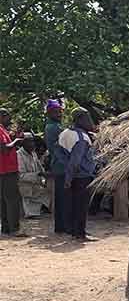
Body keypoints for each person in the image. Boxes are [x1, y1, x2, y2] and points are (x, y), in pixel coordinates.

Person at [58, 108, 98, 240]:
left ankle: (73, 230)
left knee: (73, 205)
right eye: (87, 118)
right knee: (81, 206)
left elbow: (59, 153)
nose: (90, 122)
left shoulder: (65, 133)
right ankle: (80, 233)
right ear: (80, 119)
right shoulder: (81, 138)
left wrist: (67, 177)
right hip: (81, 176)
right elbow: (75, 162)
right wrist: (69, 179)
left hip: (69, 174)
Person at [43, 100, 68, 234]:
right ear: (48, 113)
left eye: (60, 111)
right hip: (61, 165)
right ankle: (63, 226)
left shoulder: (56, 126)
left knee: (61, 197)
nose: (59, 114)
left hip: (59, 164)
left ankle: (61, 226)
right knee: (63, 197)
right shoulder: (53, 128)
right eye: (56, 112)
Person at [0, 108, 25, 237]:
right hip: (7, 170)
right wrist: (16, 142)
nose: (9, 119)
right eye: (7, 116)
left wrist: (14, 138)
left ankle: (6, 227)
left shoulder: (3, 130)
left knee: (5, 201)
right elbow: (4, 149)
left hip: (5, 170)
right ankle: (14, 228)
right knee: (12, 200)